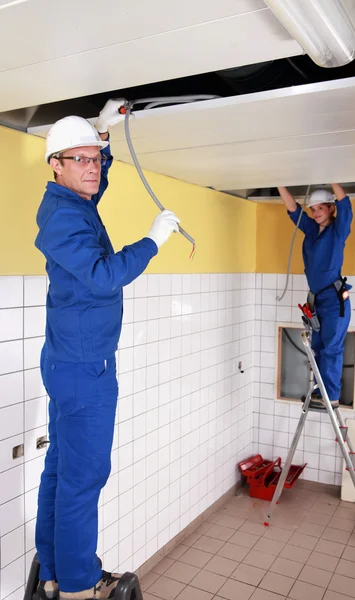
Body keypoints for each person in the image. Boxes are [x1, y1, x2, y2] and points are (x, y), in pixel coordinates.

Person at [34, 99, 180, 600]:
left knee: (62, 469)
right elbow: (103, 277)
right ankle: (77, 585)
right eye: (81, 160)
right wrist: (152, 242)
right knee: (84, 476)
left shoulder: (73, 202)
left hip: (71, 362)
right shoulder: (60, 219)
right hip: (82, 369)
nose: (92, 168)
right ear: (55, 164)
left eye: (94, 159)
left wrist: (104, 134)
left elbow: (95, 177)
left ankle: (53, 571)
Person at [278, 184, 353, 409]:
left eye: (321, 208)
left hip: (334, 300)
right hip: (317, 300)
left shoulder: (338, 230)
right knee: (319, 348)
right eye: (313, 209)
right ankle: (321, 392)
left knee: (331, 348)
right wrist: (280, 183)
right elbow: (293, 210)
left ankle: (331, 396)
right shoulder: (312, 231)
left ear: (331, 208)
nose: (316, 212)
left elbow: (346, 205)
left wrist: (333, 178)